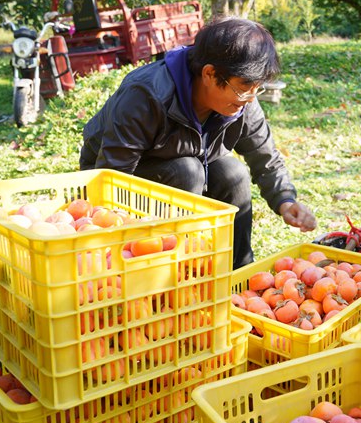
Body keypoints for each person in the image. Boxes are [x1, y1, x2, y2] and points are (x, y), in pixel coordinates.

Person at [80, 16, 316, 269]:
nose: (249, 99)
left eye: (257, 88)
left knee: (232, 172)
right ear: (210, 74)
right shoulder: (146, 94)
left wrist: (286, 200)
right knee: (186, 170)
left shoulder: (242, 100)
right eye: (244, 88)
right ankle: (177, 268)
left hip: (190, 170)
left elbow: (265, 156)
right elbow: (112, 175)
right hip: (126, 178)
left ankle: (237, 270)